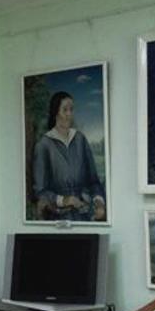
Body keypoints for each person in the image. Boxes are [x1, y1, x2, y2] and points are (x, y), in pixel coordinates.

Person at [31, 91, 106, 221]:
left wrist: (99, 202)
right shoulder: (44, 145)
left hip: (84, 216)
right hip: (57, 218)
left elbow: (94, 181)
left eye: (71, 110)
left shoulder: (80, 139)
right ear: (55, 112)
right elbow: (40, 191)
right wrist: (64, 200)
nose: (69, 114)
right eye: (65, 110)